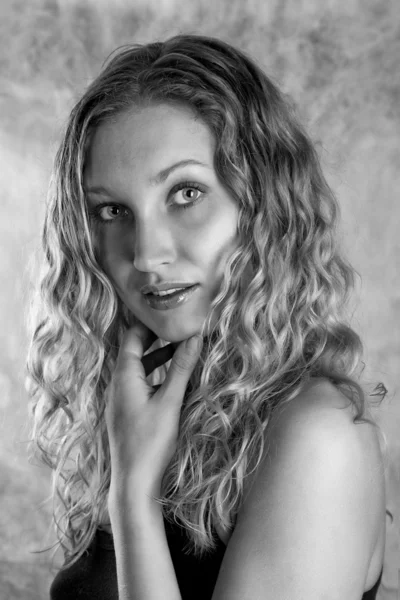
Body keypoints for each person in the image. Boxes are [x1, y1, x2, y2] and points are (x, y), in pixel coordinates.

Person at [24, 33, 388, 600]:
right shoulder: (151, 407)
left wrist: (134, 500)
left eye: (186, 193)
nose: (146, 255)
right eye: (113, 210)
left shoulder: (318, 437)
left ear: (264, 206)